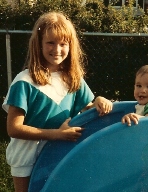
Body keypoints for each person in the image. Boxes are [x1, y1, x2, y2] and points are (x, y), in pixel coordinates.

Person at [2, 12, 113, 192]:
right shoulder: (24, 81)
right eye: (50, 42)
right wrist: (56, 134)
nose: (57, 49)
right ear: (38, 44)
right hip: (27, 157)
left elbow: (88, 109)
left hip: (61, 151)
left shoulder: (73, 78)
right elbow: (14, 128)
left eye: (63, 44)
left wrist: (99, 101)